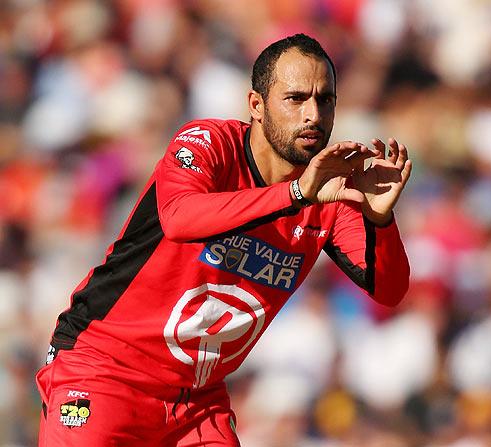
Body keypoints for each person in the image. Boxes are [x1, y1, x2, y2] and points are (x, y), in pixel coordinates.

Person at [36, 33, 411, 446]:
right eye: (295, 98)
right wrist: (295, 194)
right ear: (256, 105)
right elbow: (179, 218)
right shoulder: (209, 143)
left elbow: (390, 289)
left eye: (325, 100)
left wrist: (380, 218)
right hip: (106, 370)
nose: (313, 114)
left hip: (196, 402)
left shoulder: (331, 191)